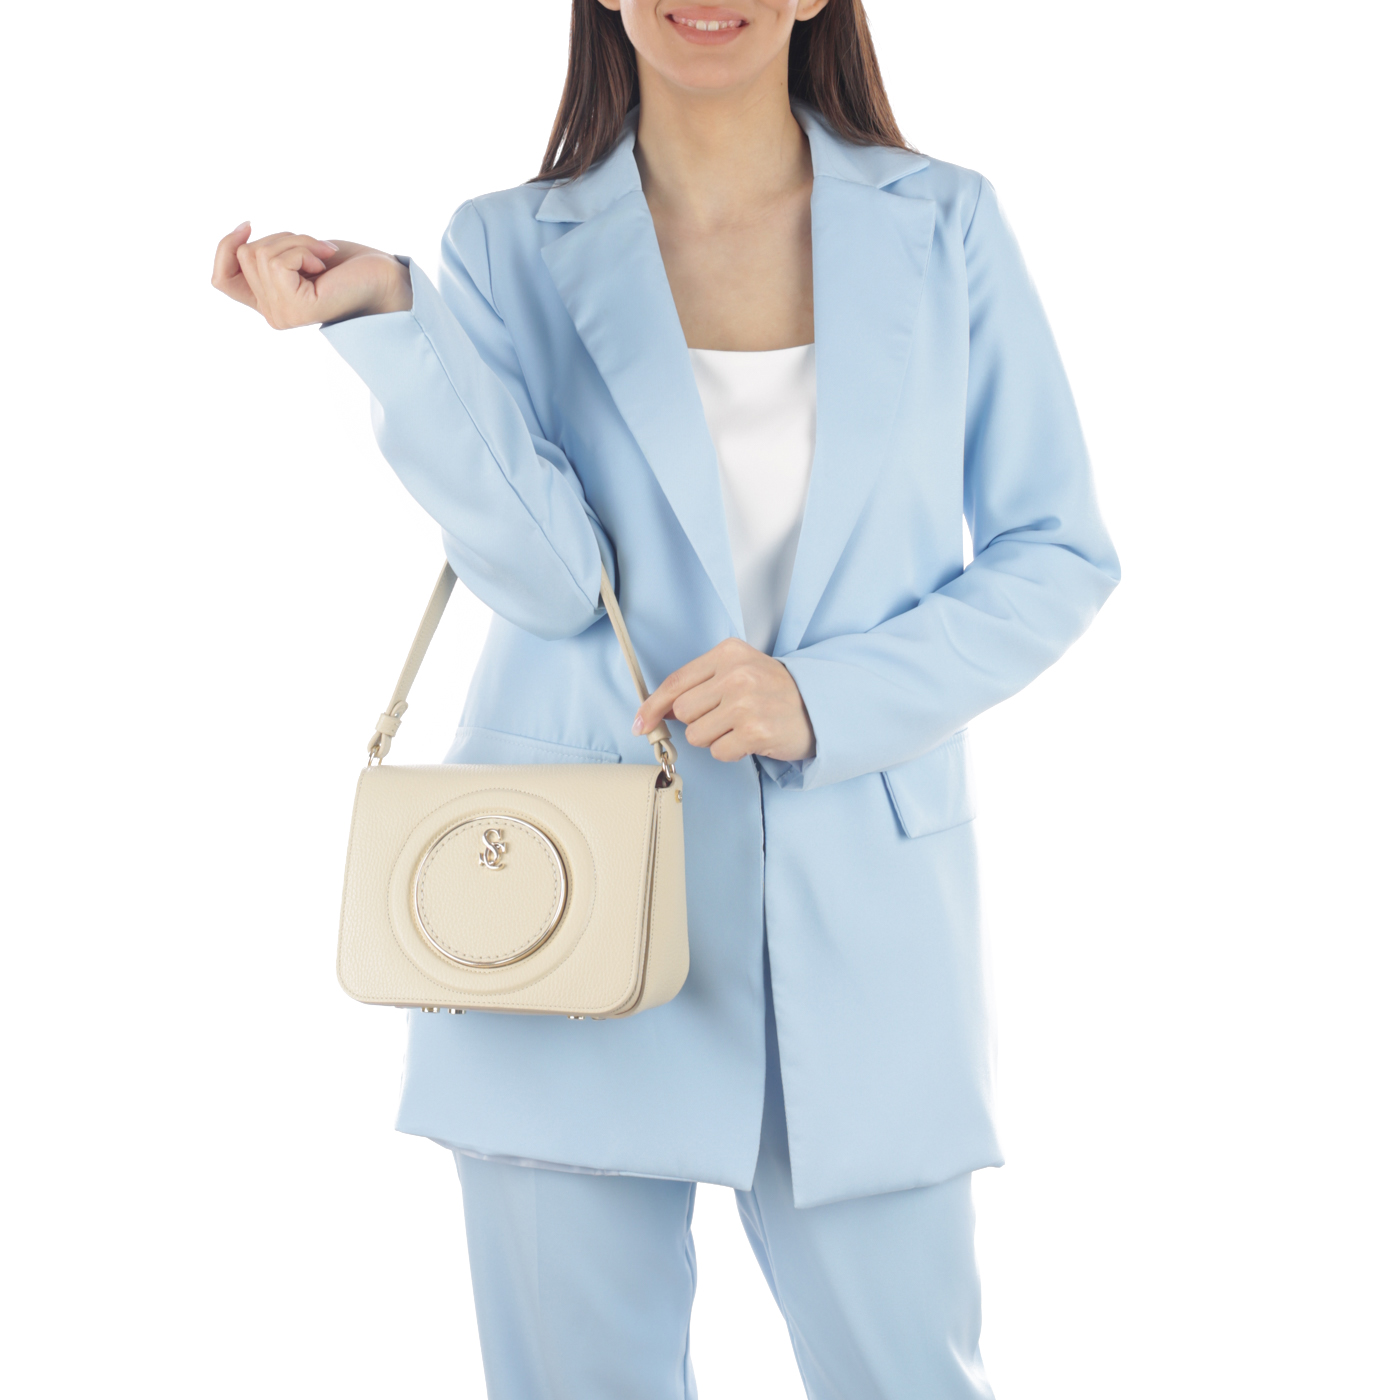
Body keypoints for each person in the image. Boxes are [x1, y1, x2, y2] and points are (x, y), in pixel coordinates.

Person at [212, 2, 1119, 1395]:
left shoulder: (947, 225)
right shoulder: (502, 248)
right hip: (558, 914)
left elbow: (1055, 550)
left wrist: (823, 698)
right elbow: (547, 579)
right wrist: (393, 319)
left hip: (858, 923)